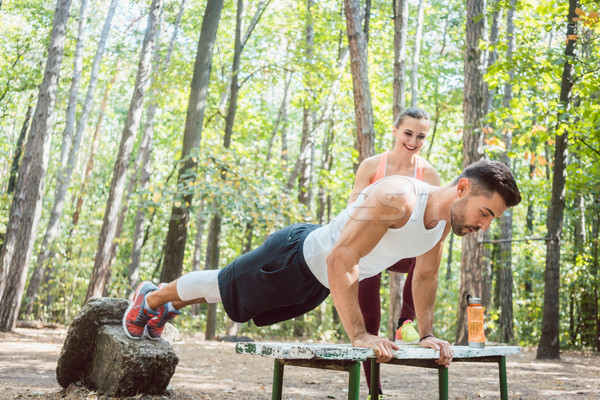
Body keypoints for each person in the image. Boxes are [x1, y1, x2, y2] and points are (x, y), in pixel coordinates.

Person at [123, 160, 521, 374]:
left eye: (490, 221)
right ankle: (152, 297)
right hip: (295, 258)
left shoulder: (440, 227)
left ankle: (169, 305)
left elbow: (426, 276)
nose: (483, 226)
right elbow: (341, 257)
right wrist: (361, 335)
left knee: (235, 303)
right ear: (464, 188)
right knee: (221, 286)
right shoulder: (399, 198)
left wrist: (428, 334)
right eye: (485, 213)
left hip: (319, 284)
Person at [349, 107, 440, 399]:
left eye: (421, 136)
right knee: (369, 323)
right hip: (371, 248)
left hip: (404, 250)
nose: (413, 141)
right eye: (408, 133)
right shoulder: (372, 165)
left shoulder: (429, 174)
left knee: (425, 249)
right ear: (395, 131)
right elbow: (353, 213)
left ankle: (405, 323)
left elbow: (432, 225)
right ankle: (374, 390)